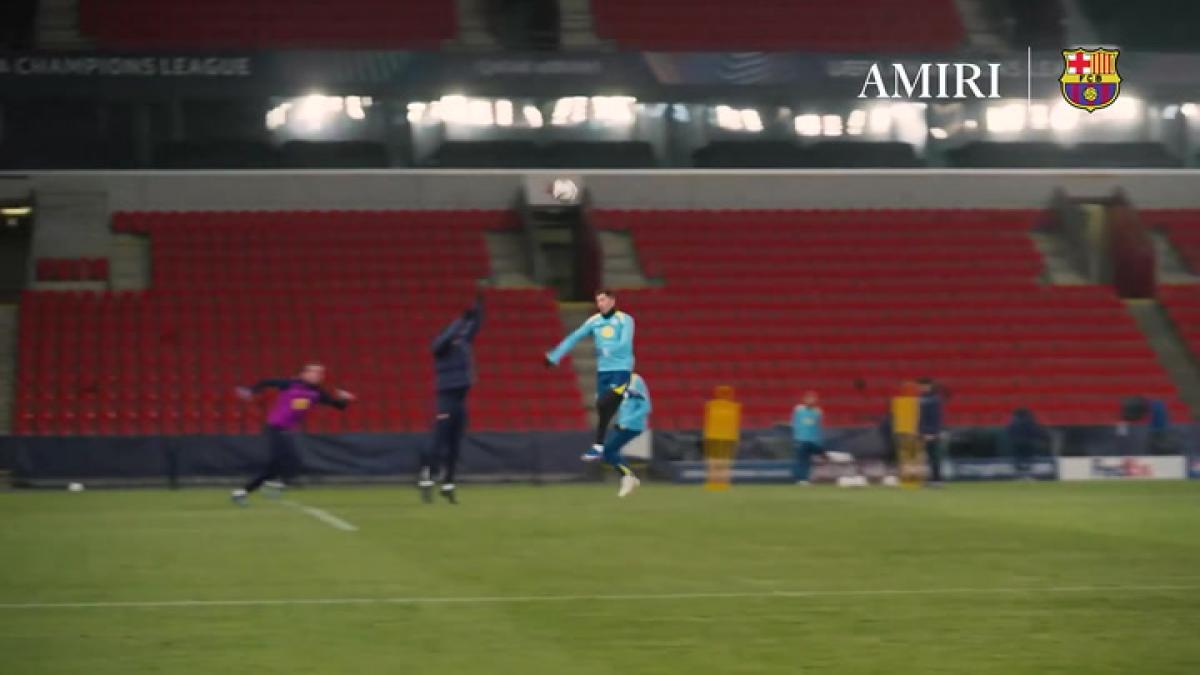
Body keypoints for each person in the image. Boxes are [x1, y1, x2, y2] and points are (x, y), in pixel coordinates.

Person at [230, 363, 356, 506]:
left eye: (320, 373)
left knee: (278, 466)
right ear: (303, 374)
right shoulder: (290, 384)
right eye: (313, 372)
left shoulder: (318, 393)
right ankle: (271, 486)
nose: (317, 375)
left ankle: (244, 492)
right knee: (287, 462)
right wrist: (252, 390)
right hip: (275, 428)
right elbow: (266, 382)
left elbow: (339, 406)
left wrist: (345, 398)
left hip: (286, 431)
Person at [544, 289, 635, 462]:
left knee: (603, 402)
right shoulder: (594, 321)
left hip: (621, 370)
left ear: (612, 301)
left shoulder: (625, 320)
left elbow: (624, 344)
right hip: (603, 372)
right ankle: (598, 446)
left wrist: (605, 350)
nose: (600, 304)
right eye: (598, 301)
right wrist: (555, 356)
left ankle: (627, 393)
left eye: (603, 300)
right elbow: (573, 337)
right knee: (604, 412)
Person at [419, 293, 484, 504]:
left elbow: (473, 328)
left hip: (459, 398)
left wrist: (479, 309)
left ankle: (448, 482)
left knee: (455, 442)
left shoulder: (462, 343)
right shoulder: (440, 346)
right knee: (439, 441)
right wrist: (461, 320)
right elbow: (445, 339)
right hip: (446, 397)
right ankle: (428, 474)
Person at [599, 372, 651, 498]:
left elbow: (645, 407)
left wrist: (627, 421)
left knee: (608, 451)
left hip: (633, 425)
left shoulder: (636, 380)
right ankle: (630, 477)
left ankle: (628, 478)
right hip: (623, 424)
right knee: (609, 452)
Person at [791, 390, 825, 485]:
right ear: (804, 399)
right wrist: (796, 437)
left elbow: (818, 426)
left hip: (813, 440)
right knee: (802, 459)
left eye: (813, 399)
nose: (811, 400)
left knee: (810, 459)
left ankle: (806, 477)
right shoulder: (798, 409)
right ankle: (801, 479)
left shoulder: (818, 412)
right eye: (809, 398)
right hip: (801, 439)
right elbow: (794, 423)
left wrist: (819, 441)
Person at [918, 378, 944, 485]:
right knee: (926, 457)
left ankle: (937, 479)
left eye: (924, 386)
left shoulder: (934, 399)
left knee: (934, 456)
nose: (922, 388)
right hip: (923, 432)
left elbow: (935, 418)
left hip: (931, 432)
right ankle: (929, 478)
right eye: (921, 386)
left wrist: (932, 433)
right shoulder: (921, 398)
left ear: (929, 386)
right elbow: (921, 417)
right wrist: (920, 431)